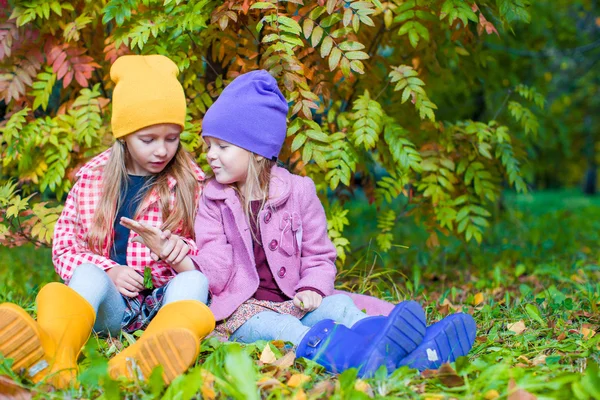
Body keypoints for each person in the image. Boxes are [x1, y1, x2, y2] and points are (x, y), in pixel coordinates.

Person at [189, 70, 476, 377]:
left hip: (297, 299)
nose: (211, 156)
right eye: (209, 146)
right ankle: (359, 358)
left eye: (222, 146)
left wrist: (313, 286)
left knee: (339, 309)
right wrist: (183, 259)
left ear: (257, 151)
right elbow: (216, 265)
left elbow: (318, 254)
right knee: (281, 328)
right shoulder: (213, 200)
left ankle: (403, 345)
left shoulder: (298, 191)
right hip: (245, 311)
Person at [0, 55, 215, 388]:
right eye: (149, 139)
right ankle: (58, 355)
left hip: (162, 303)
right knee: (87, 273)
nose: (162, 150)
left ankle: (147, 356)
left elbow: (209, 251)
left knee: (196, 284)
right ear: (124, 136)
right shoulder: (93, 179)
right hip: (112, 308)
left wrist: (174, 251)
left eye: (171, 138)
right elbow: (66, 245)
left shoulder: (190, 182)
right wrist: (109, 271)